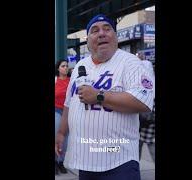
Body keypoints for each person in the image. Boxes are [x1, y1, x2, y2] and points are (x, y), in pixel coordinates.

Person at [55, 14, 154, 180]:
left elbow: (143, 102)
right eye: (95, 30)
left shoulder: (130, 62)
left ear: (115, 36)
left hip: (119, 161)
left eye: (107, 29)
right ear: (88, 40)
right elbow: (69, 104)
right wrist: (61, 133)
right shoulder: (80, 65)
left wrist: (99, 96)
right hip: (86, 160)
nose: (101, 33)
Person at [136, 51, 156, 163]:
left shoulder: (142, 78)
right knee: (150, 143)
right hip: (149, 117)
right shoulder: (151, 78)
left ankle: (135, 171)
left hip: (143, 116)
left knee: (138, 145)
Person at [54, 59, 70, 175]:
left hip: (68, 112)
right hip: (56, 110)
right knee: (57, 136)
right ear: (58, 68)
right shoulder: (55, 80)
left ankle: (61, 162)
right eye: (63, 66)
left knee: (66, 140)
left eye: (66, 66)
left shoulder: (71, 81)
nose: (66, 68)